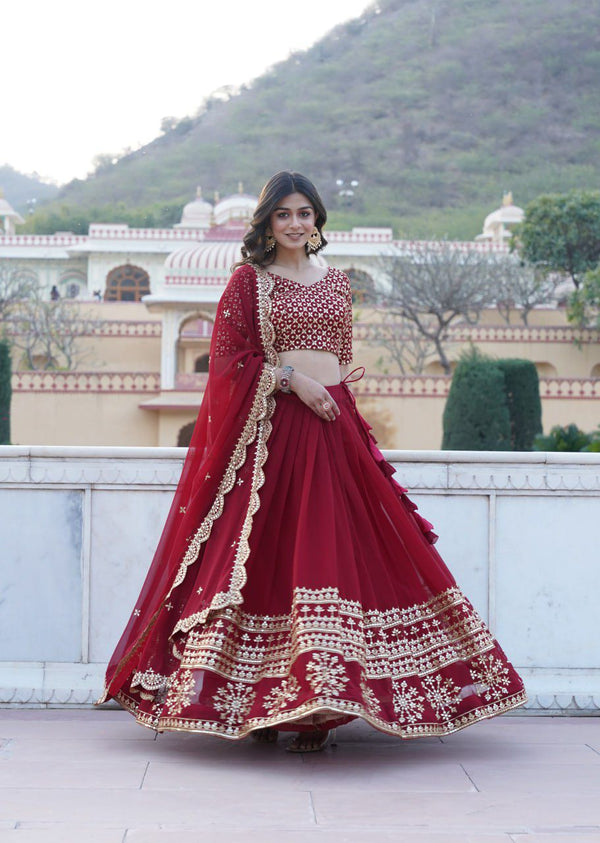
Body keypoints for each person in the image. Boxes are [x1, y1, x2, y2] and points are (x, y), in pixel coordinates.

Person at [99, 171, 526, 752]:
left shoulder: (337, 281)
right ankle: (266, 708)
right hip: (275, 435)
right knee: (274, 562)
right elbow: (227, 360)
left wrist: (332, 401)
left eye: (305, 213)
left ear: (317, 219)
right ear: (267, 223)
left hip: (336, 430)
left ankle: (321, 707)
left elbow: (340, 357)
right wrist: (291, 380)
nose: (296, 223)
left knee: (341, 557)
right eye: (284, 214)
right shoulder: (250, 282)